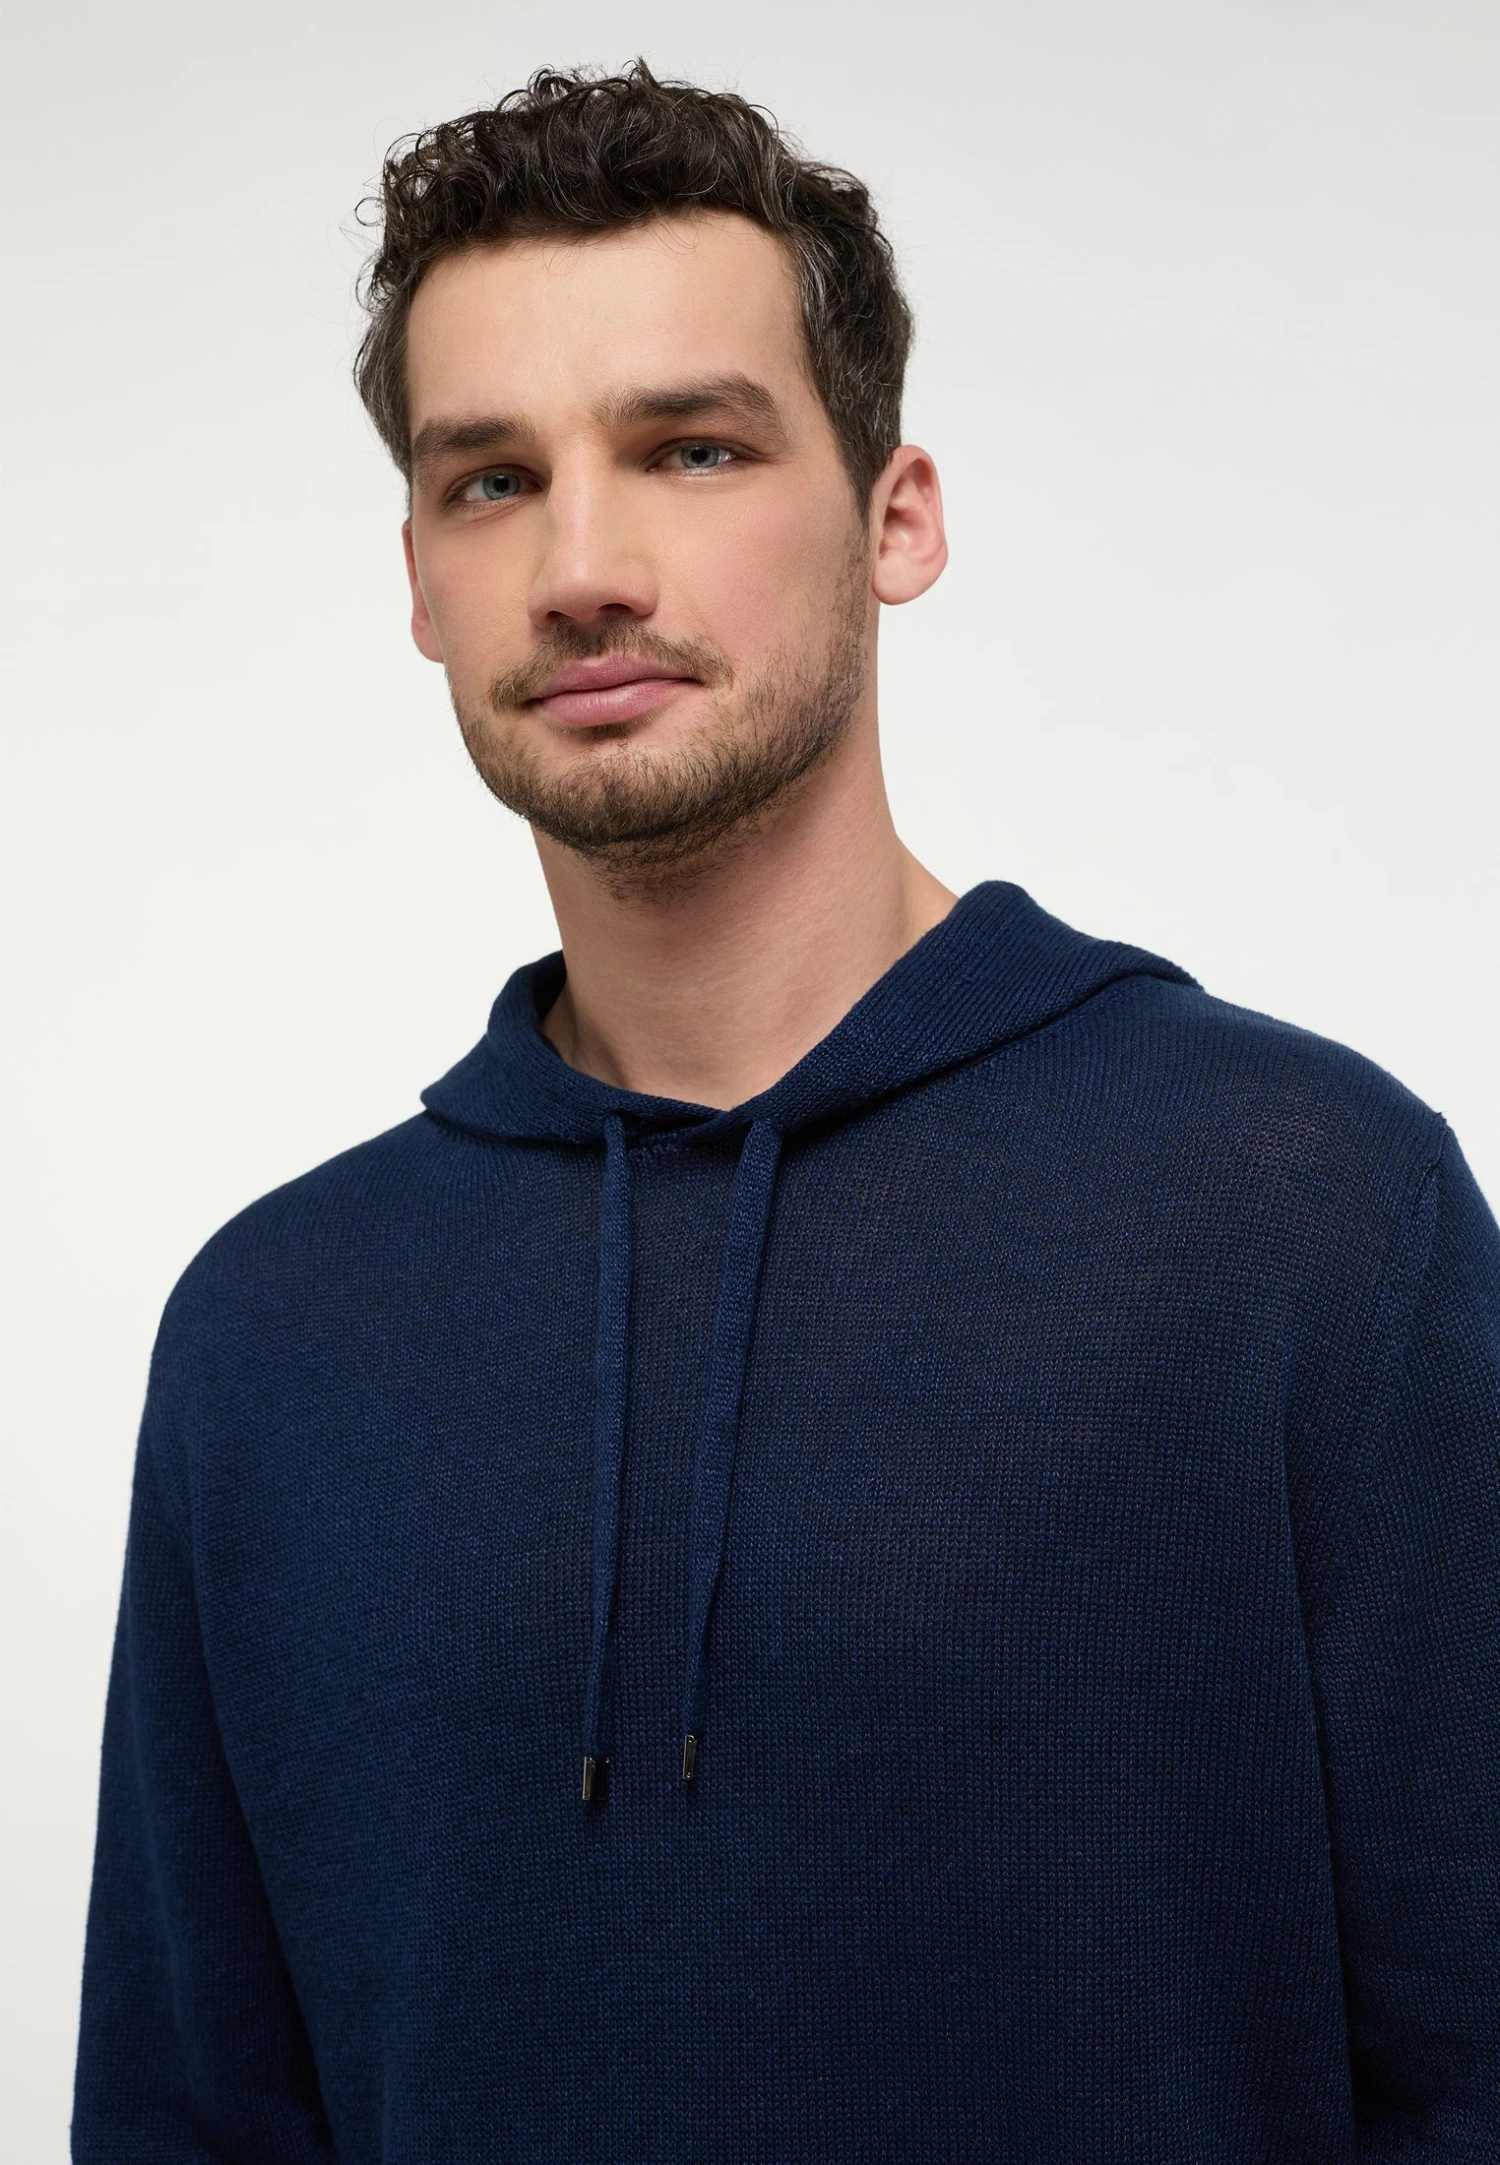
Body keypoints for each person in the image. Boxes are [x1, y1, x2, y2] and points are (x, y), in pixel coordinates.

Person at [72, 61, 1500, 2163]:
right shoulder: (271, 1337)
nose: (583, 566)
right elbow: (187, 2116)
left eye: (695, 448)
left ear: (895, 516)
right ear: (418, 583)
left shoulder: (1304, 1216)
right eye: (492, 480)